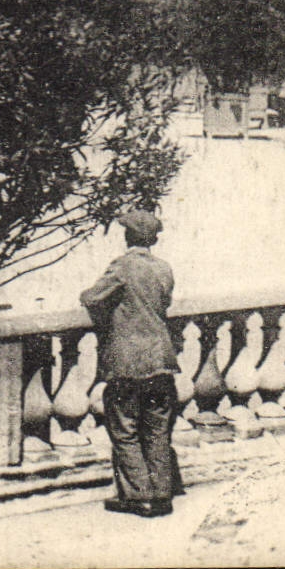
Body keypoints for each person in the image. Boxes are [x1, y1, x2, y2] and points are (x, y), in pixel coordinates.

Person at [79, 209, 180, 518]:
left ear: (128, 236)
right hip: (162, 358)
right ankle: (162, 493)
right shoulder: (164, 269)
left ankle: (139, 496)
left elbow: (91, 298)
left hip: (128, 362)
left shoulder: (123, 268)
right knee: (158, 427)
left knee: (124, 427)